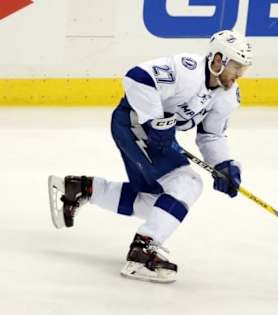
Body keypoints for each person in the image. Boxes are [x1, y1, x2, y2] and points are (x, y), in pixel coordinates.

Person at [47, 30, 252, 283]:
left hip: (154, 133)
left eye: (243, 69)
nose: (239, 75)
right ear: (218, 59)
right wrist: (154, 121)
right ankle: (142, 251)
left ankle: (82, 188)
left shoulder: (227, 94)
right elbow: (137, 77)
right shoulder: (187, 69)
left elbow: (211, 135)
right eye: (236, 66)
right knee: (187, 183)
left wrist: (224, 164)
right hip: (133, 122)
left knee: (157, 204)